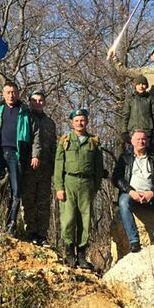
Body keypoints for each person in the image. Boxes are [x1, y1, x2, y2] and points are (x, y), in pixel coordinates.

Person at [0, 81, 40, 234]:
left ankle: (11, 223)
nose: (11, 95)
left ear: (18, 93)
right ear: (3, 93)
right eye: (8, 92)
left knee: (16, 190)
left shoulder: (26, 111)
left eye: (14, 92)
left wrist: (35, 155)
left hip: (18, 154)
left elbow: (36, 135)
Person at [53, 109, 104, 270]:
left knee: (85, 220)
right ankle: (69, 253)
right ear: (72, 123)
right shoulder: (65, 140)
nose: (80, 123)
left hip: (87, 183)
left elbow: (98, 167)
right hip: (69, 181)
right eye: (77, 120)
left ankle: (82, 254)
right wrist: (59, 187)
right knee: (68, 219)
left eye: (82, 120)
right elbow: (58, 165)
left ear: (87, 121)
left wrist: (95, 187)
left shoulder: (93, 141)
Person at [111, 130, 154, 253]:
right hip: (131, 194)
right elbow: (116, 178)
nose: (141, 141)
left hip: (150, 195)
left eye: (144, 139)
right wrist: (130, 191)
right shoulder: (125, 157)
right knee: (123, 202)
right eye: (138, 139)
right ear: (132, 141)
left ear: (147, 141)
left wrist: (152, 192)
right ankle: (134, 241)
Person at [21, 90, 57, 245]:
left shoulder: (50, 123)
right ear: (29, 102)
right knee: (29, 201)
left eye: (40, 100)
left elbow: (54, 146)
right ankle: (30, 234)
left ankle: (42, 235)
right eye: (34, 100)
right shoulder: (24, 118)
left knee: (43, 202)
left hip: (46, 168)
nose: (37, 103)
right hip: (28, 167)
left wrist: (56, 166)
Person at [116, 73, 154, 151]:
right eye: (139, 84)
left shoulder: (151, 99)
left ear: (146, 86)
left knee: (150, 155)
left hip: (148, 133)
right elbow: (125, 116)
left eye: (143, 84)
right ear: (135, 86)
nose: (141, 86)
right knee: (133, 156)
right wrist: (124, 132)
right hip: (133, 133)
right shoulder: (130, 99)